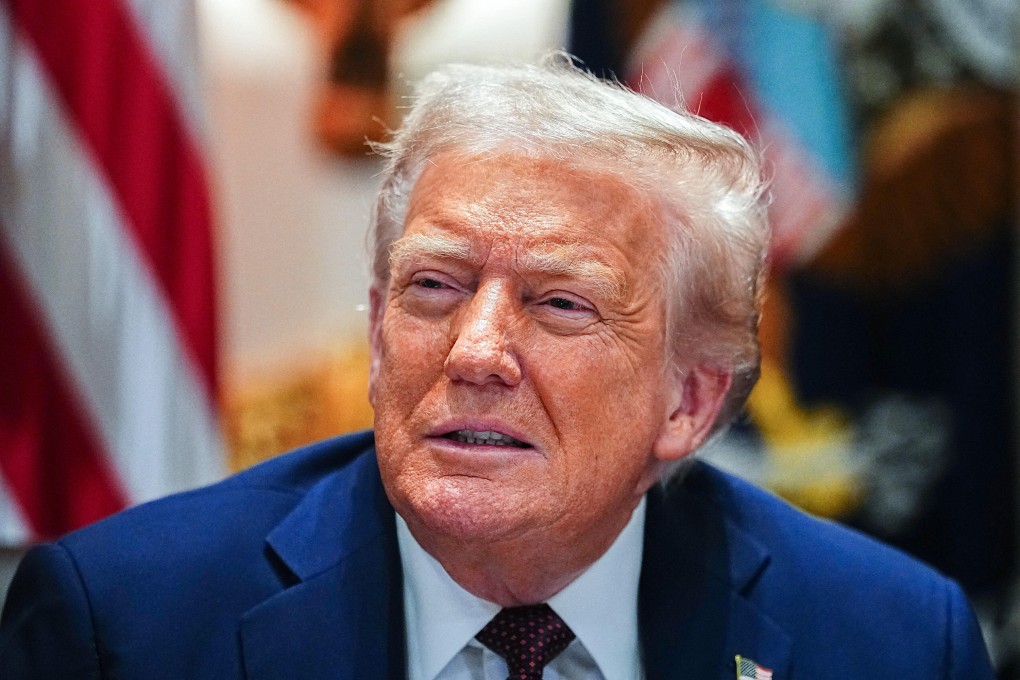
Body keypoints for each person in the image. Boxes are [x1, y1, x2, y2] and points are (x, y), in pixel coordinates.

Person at [0, 55, 994, 679]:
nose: (473, 351)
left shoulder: (889, 638)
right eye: (433, 287)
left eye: (558, 302)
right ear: (382, 330)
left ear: (687, 399)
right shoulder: (121, 624)